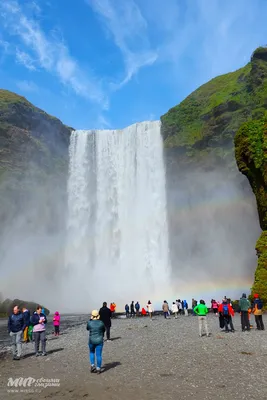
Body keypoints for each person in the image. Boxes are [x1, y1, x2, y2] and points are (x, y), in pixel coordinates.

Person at [87, 310, 105, 374]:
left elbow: (87, 328)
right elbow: (104, 330)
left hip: (91, 340)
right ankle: (98, 368)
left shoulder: (89, 322)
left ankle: (92, 365)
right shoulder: (101, 323)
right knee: (98, 355)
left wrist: (91, 320)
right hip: (99, 340)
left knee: (92, 352)